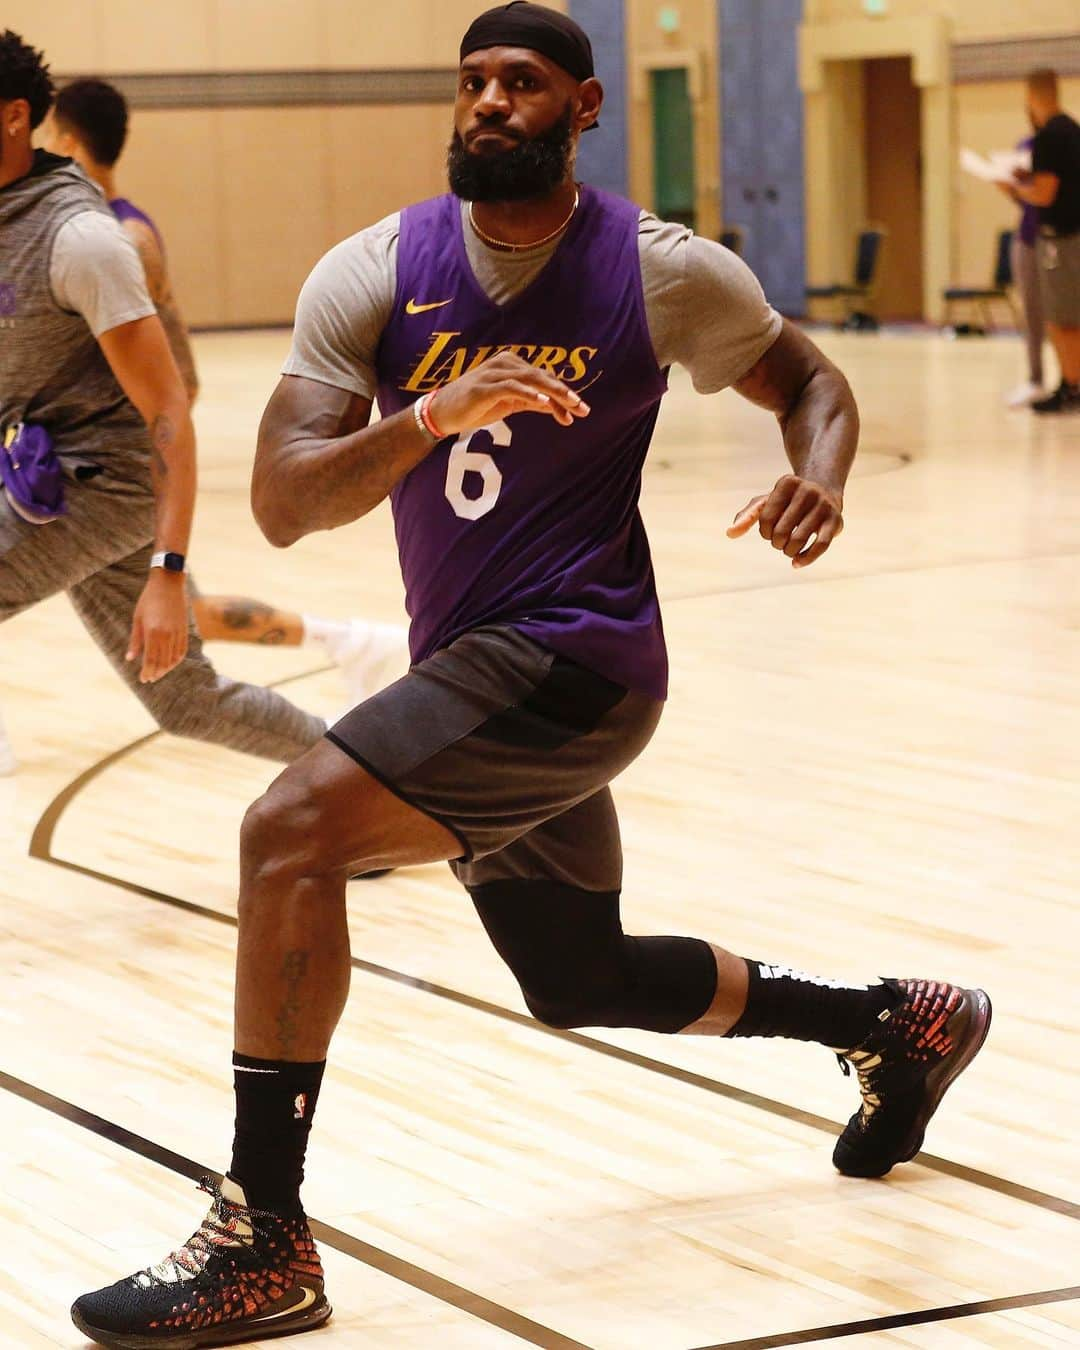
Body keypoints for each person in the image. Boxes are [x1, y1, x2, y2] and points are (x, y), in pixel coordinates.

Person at [72, 6, 992, 1345]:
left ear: (585, 106)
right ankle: (900, 1020)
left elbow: (811, 381)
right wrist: (430, 413)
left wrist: (820, 473)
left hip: (581, 654)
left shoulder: (664, 272)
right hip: (477, 670)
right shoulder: (376, 272)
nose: (492, 102)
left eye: (522, 82)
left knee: (286, 833)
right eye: (473, 83)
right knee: (577, 975)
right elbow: (280, 502)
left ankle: (260, 1234)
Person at [0, 31, 328, 780]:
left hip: (108, 488)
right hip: (48, 479)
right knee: (187, 702)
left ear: (16, 117)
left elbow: (169, 414)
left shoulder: (82, 242)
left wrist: (169, 570)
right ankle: (372, 784)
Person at [42, 78, 406, 688]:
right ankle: (351, 641)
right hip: (94, 464)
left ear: (72, 144)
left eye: (49, 136)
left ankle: (353, 644)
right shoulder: (85, 234)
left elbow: (177, 377)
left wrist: (129, 454)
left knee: (182, 620)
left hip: (116, 470)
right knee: (191, 614)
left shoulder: (123, 243)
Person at [1004, 69, 1080, 414]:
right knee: (1067, 315)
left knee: (1061, 318)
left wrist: (1014, 187)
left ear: (1032, 97)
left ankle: (1072, 386)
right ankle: (1070, 382)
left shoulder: (1048, 136)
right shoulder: (1073, 130)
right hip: (1074, 234)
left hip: (1060, 239)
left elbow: (1046, 194)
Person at [1005, 134, 1047, 407]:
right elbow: (1026, 200)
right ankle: (1035, 378)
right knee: (1031, 312)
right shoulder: (1025, 145)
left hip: (1060, 239)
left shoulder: (1063, 144)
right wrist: (1010, 187)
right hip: (1027, 237)